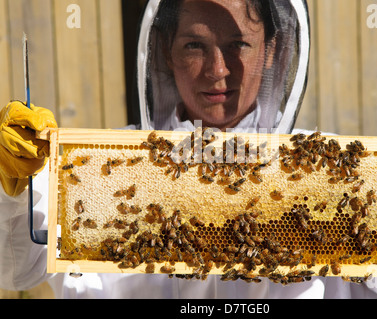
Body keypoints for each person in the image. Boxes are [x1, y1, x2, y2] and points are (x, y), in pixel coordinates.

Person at [0, 0, 323, 299]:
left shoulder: (325, 173)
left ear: (271, 50)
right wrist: (10, 190)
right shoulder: (103, 166)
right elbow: (15, 269)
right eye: (194, 46)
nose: (217, 70)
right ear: (167, 50)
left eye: (238, 44)